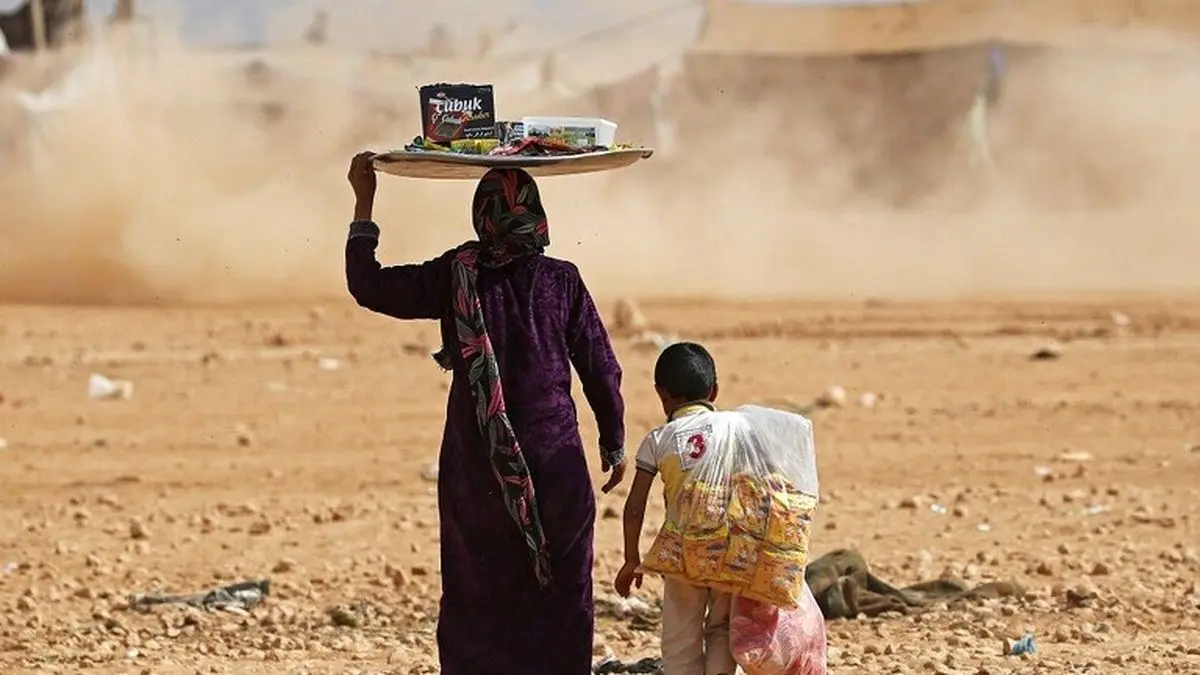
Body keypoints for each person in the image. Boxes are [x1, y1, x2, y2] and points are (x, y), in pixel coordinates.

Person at [344, 152, 627, 675]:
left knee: (477, 593)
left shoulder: (457, 275)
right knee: (563, 593)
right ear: (538, 218)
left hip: (477, 470)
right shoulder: (562, 281)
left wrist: (365, 203)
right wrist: (613, 441)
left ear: (482, 216)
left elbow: (370, 285)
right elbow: (600, 368)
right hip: (556, 466)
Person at [615, 342, 737, 675]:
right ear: (714, 391)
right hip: (729, 549)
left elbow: (635, 505)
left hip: (683, 552)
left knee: (681, 637)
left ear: (661, 393)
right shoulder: (737, 430)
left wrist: (631, 558)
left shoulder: (658, 439)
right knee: (723, 629)